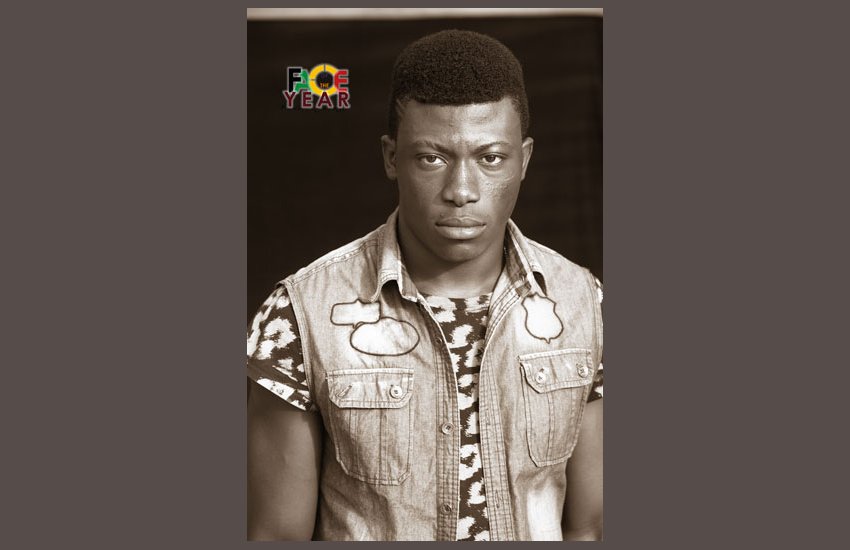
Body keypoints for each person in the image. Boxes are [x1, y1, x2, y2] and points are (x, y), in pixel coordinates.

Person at [247, 29, 603, 541]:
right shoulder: (299, 314)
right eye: (432, 158)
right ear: (391, 157)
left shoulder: (583, 304)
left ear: (524, 160)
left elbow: (592, 528)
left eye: (490, 158)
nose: (461, 191)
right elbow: (277, 536)